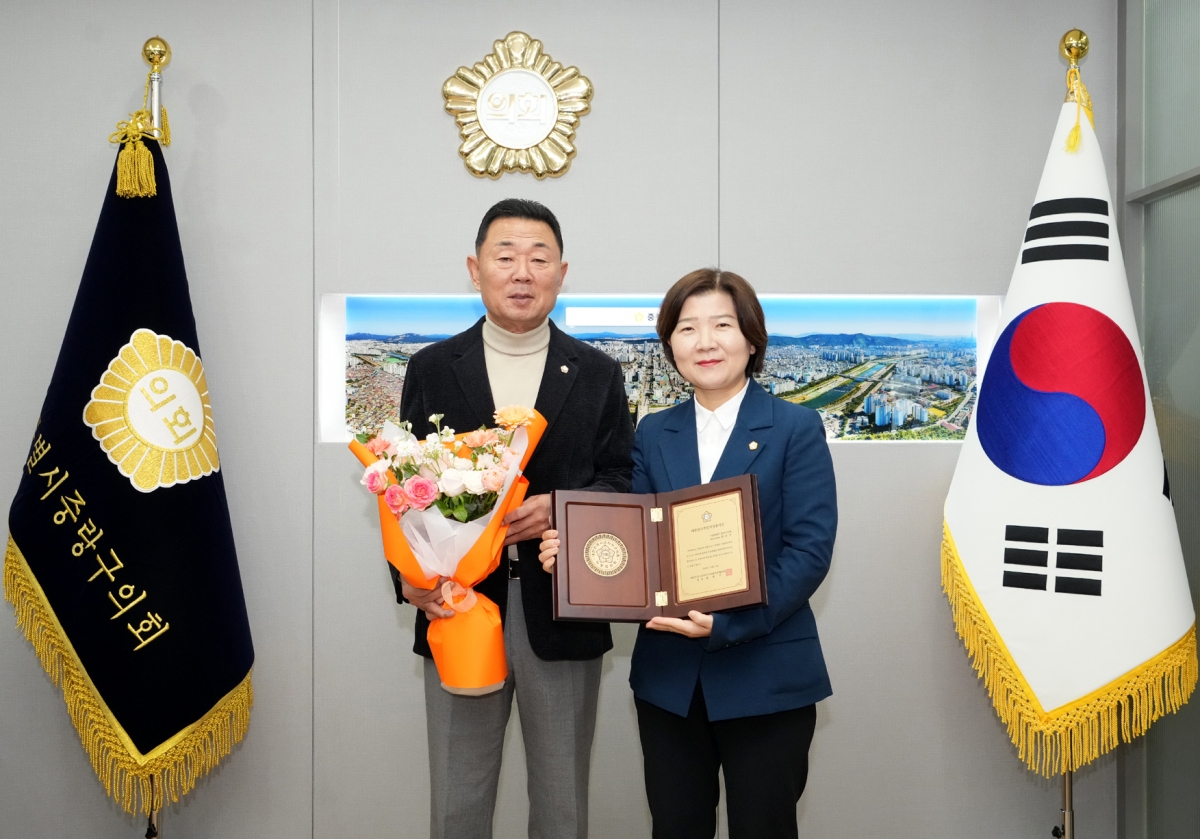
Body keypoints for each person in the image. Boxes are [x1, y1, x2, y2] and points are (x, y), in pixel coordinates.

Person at [540, 269, 837, 839]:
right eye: (687, 328)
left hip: (766, 673)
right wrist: (574, 555)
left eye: (722, 325)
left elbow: (809, 551)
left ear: (751, 338)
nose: (705, 342)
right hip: (670, 681)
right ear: (670, 344)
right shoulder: (654, 431)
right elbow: (634, 537)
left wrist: (728, 623)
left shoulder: (795, 427)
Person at [394, 198, 634, 839]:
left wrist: (561, 507)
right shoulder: (432, 368)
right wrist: (412, 582)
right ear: (475, 270)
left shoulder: (599, 373)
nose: (522, 272)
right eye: (505, 257)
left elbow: (621, 477)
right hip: (457, 605)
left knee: (562, 804)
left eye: (538, 258)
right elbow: (400, 487)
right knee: (458, 801)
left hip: (563, 607)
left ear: (561, 273)